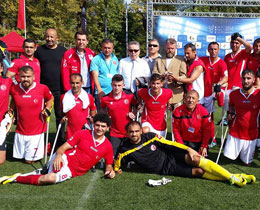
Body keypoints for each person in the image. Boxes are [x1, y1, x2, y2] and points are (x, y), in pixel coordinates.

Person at [114, 121, 255, 187]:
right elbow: (117, 164)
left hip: (171, 155)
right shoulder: (125, 150)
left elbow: (170, 143)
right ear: (127, 133)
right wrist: (116, 170)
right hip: (165, 169)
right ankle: (234, 177)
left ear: (141, 131)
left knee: (195, 158)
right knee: (199, 172)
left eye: (136, 131)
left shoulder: (150, 136)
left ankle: (231, 177)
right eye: (131, 132)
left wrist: (188, 149)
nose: (134, 134)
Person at [0, 113, 115, 185]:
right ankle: (16, 178)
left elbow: (109, 164)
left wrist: (110, 171)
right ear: (93, 125)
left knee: (48, 178)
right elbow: (63, 148)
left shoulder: (108, 146)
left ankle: (37, 172)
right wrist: (58, 156)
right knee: (49, 177)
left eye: (103, 126)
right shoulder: (83, 133)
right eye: (97, 125)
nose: (99, 128)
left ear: (108, 128)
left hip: (71, 171)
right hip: (64, 159)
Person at [10, 66, 54, 164]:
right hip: (20, 130)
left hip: (36, 131)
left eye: (28, 76)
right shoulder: (14, 89)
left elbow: (50, 98)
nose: (26, 79)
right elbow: (13, 101)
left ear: (33, 77)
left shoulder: (42, 88)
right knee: (18, 158)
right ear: (19, 77)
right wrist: (11, 114)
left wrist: (47, 108)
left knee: (29, 161)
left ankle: (45, 147)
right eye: (23, 76)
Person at [34, 28, 67, 148]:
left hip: (59, 89)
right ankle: (40, 140)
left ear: (57, 38)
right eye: (47, 36)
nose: (49, 39)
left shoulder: (63, 51)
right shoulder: (39, 51)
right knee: (41, 115)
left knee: (60, 116)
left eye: (52, 37)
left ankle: (60, 141)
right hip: (43, 91)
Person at [224, 69, 260, 165]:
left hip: (251, 134)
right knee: (228, 157)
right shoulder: (234, 94)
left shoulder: (258, 94)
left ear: (254, 80)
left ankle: (242, 153)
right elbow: (231, 105)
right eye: (244, 78)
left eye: (249, 78)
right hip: (236, 131)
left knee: (246, 163)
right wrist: (230, 113)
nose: (246, 81)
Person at [101, 74, 136, 156]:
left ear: (123, 85)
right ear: (111, 85)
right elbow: (102, 109)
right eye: (114, 85)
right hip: (114, 132)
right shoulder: (105, 99)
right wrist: (106, 117)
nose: (116, 88)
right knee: (113, 156)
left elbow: (137, 105)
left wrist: (133, 113)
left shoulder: (129, 96)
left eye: (119, 85)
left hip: (128, 132)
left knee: (127, 156)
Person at [172, 90, 211, 157]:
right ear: (184, 99)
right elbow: (176, 130)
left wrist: (204, 146)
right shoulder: (178, 111)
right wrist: (181, 146)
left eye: (193, 98)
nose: (190, 100)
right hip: (183, 141)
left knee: (198, 162)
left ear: (198, 101)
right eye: (188, 97)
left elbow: (207, 130)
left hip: (198, 142)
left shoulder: (203, 111)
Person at [153, 38, 186, 109]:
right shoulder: (158, 60)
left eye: (172, 48)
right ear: (165, 47)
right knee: (161, 118)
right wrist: (161, 76)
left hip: (176, 95)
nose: (170, 50)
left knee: (176, 119)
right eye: (168, 48)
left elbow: (184, 76)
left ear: (176, 48)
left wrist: (175, 79)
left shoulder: (181, 60)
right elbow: (154, 74)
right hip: (160, 94)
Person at [61, 73, 96, 140]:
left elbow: (93, 109)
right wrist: (63, 117)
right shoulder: (64, 97)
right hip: (70, 132)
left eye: (77, 83)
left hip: (85, 130)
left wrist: (92, 117)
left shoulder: (88, 97)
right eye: (72, 83)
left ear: (81, 83)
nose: (75, 85)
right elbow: (62, 112)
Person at [138, 73, 173, 137]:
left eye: (158, 83)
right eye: (153, 83)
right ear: (150, 84)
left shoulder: (167, 93)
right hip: (147, 121)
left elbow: (171, 94)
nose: (155, 86)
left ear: (161, 84)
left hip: (160, 124)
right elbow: (139, 93)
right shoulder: (144, 92)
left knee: (159, 144)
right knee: (145, 130)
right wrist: (140, 102)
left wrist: (169, 103)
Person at [224, 32, 252, 111]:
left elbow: (249, 47)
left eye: (237, 43)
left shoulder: (243, 53)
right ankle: (226, 119)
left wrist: (238, 38)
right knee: (227, 103)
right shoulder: (227, 57)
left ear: (240, 44)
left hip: (239, 84)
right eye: (232, 43)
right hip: (228, 84)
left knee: (237, 106)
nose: (234, 45)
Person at [90, 39, 119, 110]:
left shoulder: (115, 59)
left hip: (113, 92)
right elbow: (95, 76)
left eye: (109, 48)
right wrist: (99, 89)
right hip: (101, 92)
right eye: (105, 48)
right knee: (102, 116)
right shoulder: (96, 59)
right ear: (102, 47)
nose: (107, 50)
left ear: (112, 48)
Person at [0, 61, 13, 165]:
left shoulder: (7, 82)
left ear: (1, 69)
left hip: (1, 124)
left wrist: (11, 114)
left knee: (1, 160)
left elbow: (18, 94)